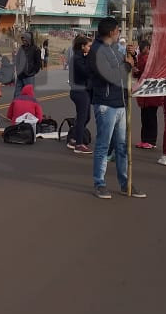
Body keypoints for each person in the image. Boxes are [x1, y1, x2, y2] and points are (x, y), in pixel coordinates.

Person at [88, 17, 145, 198]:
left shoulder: (114, 48)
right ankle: (99, 183)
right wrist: (127, 64)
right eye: (118, 30)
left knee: (122, 145)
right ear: (112, 32)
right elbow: (111, 75)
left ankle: (125, 182)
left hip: (120, 103)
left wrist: (131, 55)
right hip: (105, 104)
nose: (119, 33)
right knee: (103, 146)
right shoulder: (97, 51)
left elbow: (129, 65)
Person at [67, 34, 93, 154]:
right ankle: (78, 144)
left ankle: (74, 138)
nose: (90, 48)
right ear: (82, 46)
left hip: (80, 90)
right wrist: (90, 59)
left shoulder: (79, 57)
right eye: (88, 46)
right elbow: (86, 72)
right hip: (79, 91)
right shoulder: (78, 59)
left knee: (85, 117)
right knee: (83, 117)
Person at [132, 40, 160, 149]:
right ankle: (144, 139)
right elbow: (138, 73)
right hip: (143, 92)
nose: (143, 50)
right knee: (145, 117)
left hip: (151, 92)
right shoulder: (141, 57)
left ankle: (151, 140)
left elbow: (145, 70)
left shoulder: (151, 58)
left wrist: (136, 67)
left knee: (151, 117)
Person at [13, 31, 42, 99]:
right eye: (23, 40)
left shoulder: (35, 49)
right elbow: (17, 60)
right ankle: (17, 107)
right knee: (17, 94)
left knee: (29, 95)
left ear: (29, 39)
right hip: (20, 75)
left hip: (29, 76)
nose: (24, 42)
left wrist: (33, 72)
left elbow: (38, 63)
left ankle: (28, 108)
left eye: (25, 40)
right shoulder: (21, 48)